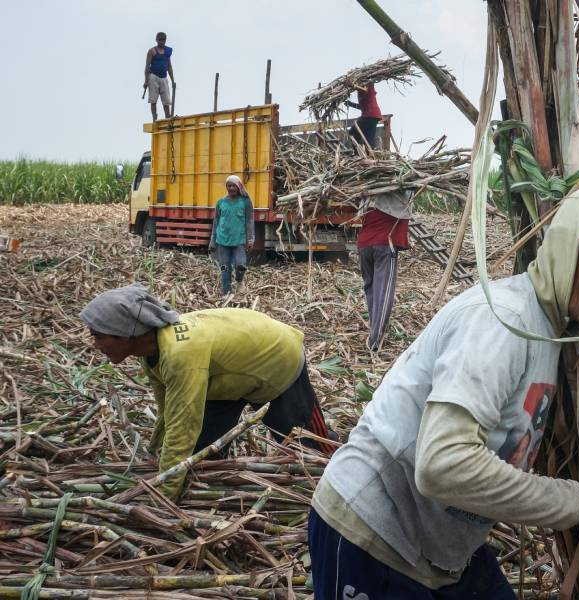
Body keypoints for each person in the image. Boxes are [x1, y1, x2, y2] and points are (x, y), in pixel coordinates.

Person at [308, 186, 579, 599]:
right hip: (372, 537)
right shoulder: (503, 321)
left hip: (442, 555)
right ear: (566, 248)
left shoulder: (553, 332)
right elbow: (443, 465)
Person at [80, 283, 337, 500]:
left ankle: (335, 485)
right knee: (202, 453)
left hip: (276, 357)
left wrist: (164, 497)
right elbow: (168, 411)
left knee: (305, 446)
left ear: (126, 333)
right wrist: (153, 452)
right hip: (225, 372)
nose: (95, 345)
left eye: (99, 336)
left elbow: (182, 429)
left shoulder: (180, 356)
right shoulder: (149, 353)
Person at [357, 190, 412, 351]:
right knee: (383, 292)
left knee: (371, 289)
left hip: (364, 246)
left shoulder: (369, 197)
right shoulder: (399, 195)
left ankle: (374, 330)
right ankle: (375, 340)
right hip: (385, 245)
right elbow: (411, 190)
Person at [209, 175, 254, 296]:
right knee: (224, 268)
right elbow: (216, 222)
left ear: (239, 187)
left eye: (234, 186)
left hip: (239, 241)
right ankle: (227, 292)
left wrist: (250, 239)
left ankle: (239, 281)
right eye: (229, 186)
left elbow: (249, 221)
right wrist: (212, 240)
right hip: (222, 241)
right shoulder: (221, 203)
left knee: (241, 265)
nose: (231, 188)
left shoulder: (245, 202)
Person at [143, 32, 174, 121]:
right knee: (153, 99)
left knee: (166, 100)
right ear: (156, 40)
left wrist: (172, 80)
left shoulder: (167, 51)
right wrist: (146, 81)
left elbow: (169, 66)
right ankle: (154, 117)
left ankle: (168, 117)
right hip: (153, 77)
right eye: (160, 40)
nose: (162, 42)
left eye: (163, 40)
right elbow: (147, 67)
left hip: (164, 77)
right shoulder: (152, 51)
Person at [346, 82, 382, 150]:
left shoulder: (368, 84)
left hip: (369, 115)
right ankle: (368, 153)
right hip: (373, 116)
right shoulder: (360, 92)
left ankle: (357, 152)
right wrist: (351, 104)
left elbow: (365, 90)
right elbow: (363, 107)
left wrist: (354, 86)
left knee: (353, 132)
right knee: (369, 137)